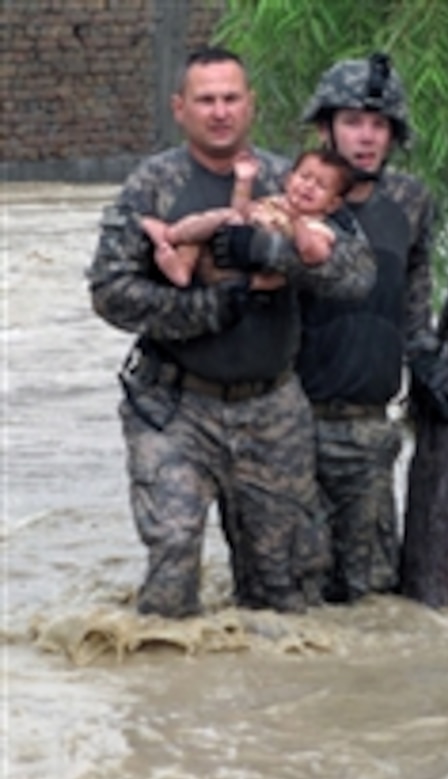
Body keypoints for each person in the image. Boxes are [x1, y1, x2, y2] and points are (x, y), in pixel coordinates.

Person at [86, 45, 375, 618]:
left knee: (282, 587)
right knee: (173, 557)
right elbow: (109, 292)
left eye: (231, 98)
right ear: (180, 108)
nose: (220, 111)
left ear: (251, 105)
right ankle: (165, 696)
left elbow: (357, 276)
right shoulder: (151, 185)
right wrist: (216, 305)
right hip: (174, 406)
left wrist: (274, 251)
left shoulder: (293, 181)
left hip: (271, 408)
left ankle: (260, 703)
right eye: (206, 100)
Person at [296, 53, 448, 603]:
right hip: (287, 426)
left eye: (379, 126)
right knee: (287, 591)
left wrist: (424, 358)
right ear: (326, 127)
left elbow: (414, 293)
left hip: (369, 430)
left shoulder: (410, 201)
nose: (367, 137)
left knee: (369, 594)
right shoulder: (290, 198)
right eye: (353, 122)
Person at [139, 146, 354, 288]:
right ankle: (181, 264)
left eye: (321, 186)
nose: (309, 186)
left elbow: (312, 254)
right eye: (305, 177)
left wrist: (296, 220)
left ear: (333, 203)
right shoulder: (274, 201)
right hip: (228, 247)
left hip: (256, 277)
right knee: (216, 222)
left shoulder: (319, 227)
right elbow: (240, 213)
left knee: (222, 218)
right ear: (289, 180)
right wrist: (244, 182)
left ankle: (170, 234)